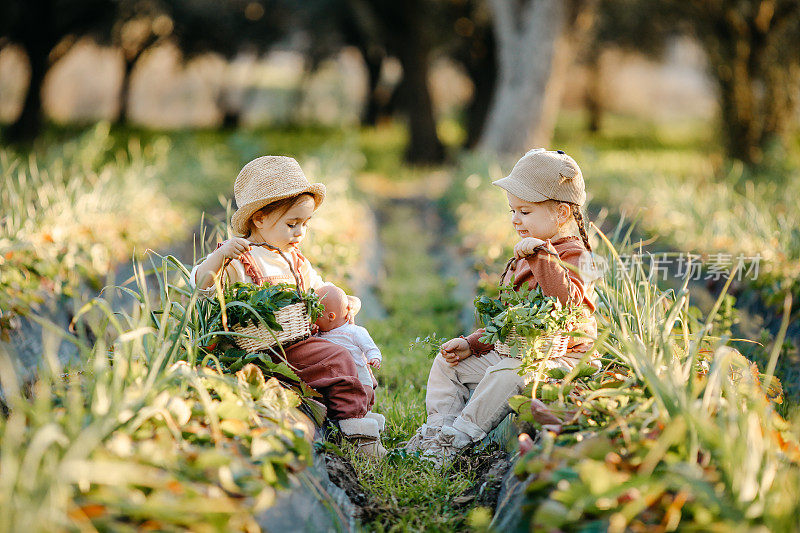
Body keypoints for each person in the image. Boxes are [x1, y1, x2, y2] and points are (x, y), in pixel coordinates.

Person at [406, 149, 599, 466]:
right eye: (512, 211)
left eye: (524, 212)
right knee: (448, 365)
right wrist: (473, 343)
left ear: (562, 213)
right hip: (518, 352)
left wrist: (542, 257)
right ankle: (436, 432)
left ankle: (457, 440)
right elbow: (509, 318)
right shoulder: (524, 256)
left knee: (507, 372)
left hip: (562, 358)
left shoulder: (575, 255)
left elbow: (568, 303)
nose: (515, 220)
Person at [190, 155, 385, 458]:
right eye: (292, 224)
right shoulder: (241, 259)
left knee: (353, 353)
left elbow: (318, 289)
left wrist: (341, 301)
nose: (300, 233)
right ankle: (357, 432)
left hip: (301, 337)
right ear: (260, 218)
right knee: (337, 359)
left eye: (305, 224)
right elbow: (200, 284)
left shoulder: (293, 258)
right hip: (270, 348)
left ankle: (353, 412)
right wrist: (221, 256)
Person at [314, 283, 386, 436]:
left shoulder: (354, 331)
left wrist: (374, 357)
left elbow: (369, 346)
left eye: (316, 314)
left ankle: (360, 423)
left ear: (330, 317)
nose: (313, 318)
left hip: (360, 372)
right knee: (349, 398)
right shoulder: (321, 334)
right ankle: (358, 419)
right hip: (341, 374)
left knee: (362, 395)